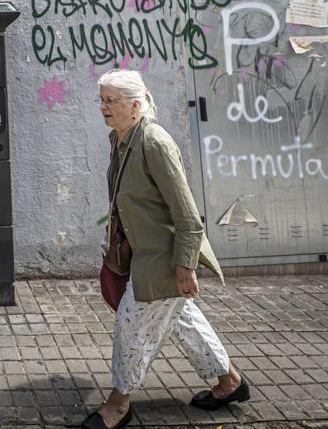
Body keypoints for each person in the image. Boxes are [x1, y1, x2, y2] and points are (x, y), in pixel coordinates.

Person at [82, 69, 249, 429]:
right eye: (102, 100)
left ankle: (118, 404)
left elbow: (188, 215)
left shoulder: (154, 143)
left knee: (131, 326)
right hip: (143, 254)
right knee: (185, 323)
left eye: (111, 101)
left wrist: (185, 267)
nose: (103, 107)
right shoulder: (121, 139)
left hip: (161, 261)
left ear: (136, 105)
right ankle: (230, 382)